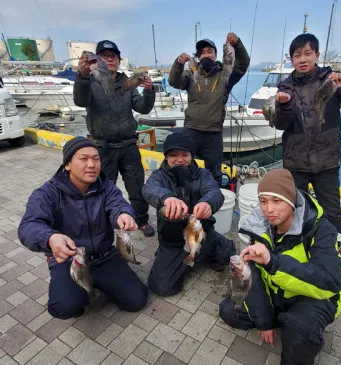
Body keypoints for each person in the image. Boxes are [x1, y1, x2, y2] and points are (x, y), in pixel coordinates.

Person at [219, 169, 341, 365]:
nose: (269, 209)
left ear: (292, 201)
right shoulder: (260, 226)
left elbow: (329, 281)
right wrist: (264, 322)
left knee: (300, 327)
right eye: (263, 201)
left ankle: (302, 336)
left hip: (313, 296)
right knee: (228, 310)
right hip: (278, 291)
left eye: (277, 201)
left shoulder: (321, 230)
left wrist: (273, 262)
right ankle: (279, 320)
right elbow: (254, 274)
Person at [18, 137, 148, 319]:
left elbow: (118, 204)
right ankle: (78, 289)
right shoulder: (47, 193)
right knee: (65, 307)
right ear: (68, 164)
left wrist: (124, 214)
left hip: (104, 256)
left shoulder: (106, 186)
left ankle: (97, 280)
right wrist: (50, 238)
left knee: (137, 300)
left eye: (96, 158)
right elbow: (29, 226)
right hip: (70, 259)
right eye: (83, 158)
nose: (92, 164)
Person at [273, 33, 341, 234]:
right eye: (297, 55)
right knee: (297, 209)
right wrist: (282, 106)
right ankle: (298, 247)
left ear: (317, 55)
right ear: (291, 59)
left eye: (308, 53)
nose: (302, 59)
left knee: (332, 212)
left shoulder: (330, 78)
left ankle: (335, 254)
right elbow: (281, 124)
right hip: (296, 162)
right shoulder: (285, 86)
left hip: (327, 161)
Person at [73, 40, 156, 237]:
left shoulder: (127, 82)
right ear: (96, 60)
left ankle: (142, 220)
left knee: (137, 185)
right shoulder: (90, 80)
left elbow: (142, 107)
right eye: (104, 55)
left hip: (128, 145)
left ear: (119, 61)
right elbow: (80, 101)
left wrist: (149, 91)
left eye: (113, 56)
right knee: (102, 187)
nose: (109, 59)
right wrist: (83, 76)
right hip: (102, 147)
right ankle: (104, 221)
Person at [142, 131, 236, 296]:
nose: (179, 159)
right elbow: (148, 189)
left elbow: (215, 192)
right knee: (161, 288)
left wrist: (208, 202)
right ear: (166, 156)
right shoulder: (159, 176)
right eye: (173, 155)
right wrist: (167, 197)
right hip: (172, 241)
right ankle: (176, 258)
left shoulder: (203, 174)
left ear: (192, 155)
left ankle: (209, 250)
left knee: (230, 253)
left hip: (202, 233)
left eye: (185, 154)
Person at [168, 33, 250, 186]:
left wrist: (237, 44)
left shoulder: (225, 75)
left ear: (216, 54)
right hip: (191, 129)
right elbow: (173, 81)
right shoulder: (192, 73)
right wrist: (178, 64)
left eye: (209, 51)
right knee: (184, 169)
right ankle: (187, 200)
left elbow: (242, 65)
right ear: (198, 57)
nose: (206, 55)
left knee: (214, 174)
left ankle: (212, 204)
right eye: (202, 52)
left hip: (213, 133)